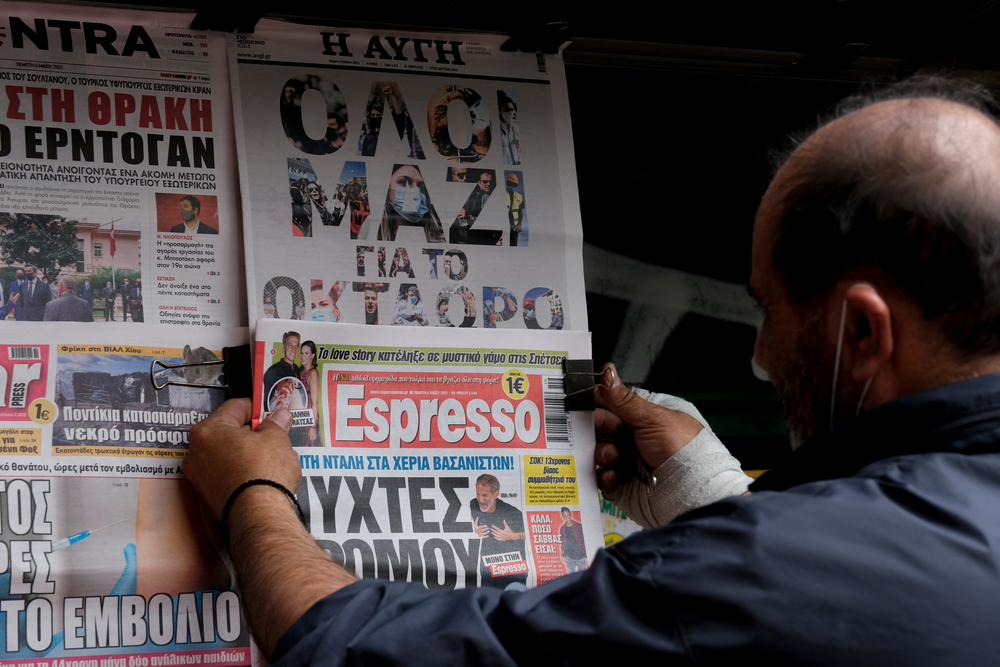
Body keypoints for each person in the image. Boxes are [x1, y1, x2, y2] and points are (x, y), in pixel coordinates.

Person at [185, 77, 1000, 664]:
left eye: (771, 311)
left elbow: (364, 653)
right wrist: (709, 493)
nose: (759, 354)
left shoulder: (777, 571)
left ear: (862, 329)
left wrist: (253, 498)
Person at [358, 165, 445, 243]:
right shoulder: (371, 226)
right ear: (386, 187)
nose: (415, 190)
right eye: (404, 182)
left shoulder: (440, 237)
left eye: (421, 186)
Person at [470, 474, 527, 589]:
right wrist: (475, 530)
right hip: (487, 564)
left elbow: (533, 534)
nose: (480, 500)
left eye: (485, 495)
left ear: (496, 494)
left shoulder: (513, 513)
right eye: (478, 494)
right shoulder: (474, 504)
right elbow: (474, 521)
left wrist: (514, 536)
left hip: (512, 567)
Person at [262, 332, 301, 404]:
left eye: (297, 346)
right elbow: (266, 402)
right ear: (283, 347)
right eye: (290, 345)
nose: (294, 349)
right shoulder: (273, 370)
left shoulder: (297, 369)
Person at [299, 340, 320, 447]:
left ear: (312, 355)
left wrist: (312, 427)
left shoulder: (313, 373)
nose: (303, 356)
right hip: (299, 418)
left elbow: (315, 403)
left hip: (309, 419)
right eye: (301, 353)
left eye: (306, 353)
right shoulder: (299, 371)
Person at [558, 508, 587, 574]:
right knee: (570, 578)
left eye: (568, 515)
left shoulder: (578, 526)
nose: (567, 517)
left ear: (570, 515)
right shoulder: (562, 529)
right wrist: (563, 555)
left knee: (584, 577)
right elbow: (563, 543)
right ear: (562, 517)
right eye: (565, 516)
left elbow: (584, 539)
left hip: (580, 557)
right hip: (569, 558)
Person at [498, 93, 521, 165]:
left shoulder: (516, 127)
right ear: (500, 111)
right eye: (507, 109)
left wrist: (519, 159)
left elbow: (519, 147)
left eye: (512, 109)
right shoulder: (496, 129)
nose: (510, 112)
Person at [505, 174, 525, 247]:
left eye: (514, 185)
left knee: (513, 244)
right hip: (503, 224)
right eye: (511, 184)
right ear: (507, 183)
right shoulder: (502, 193)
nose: (512, 186)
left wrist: (519, 225)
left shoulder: (519, 197)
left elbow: (520, 212)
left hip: (514, 225)